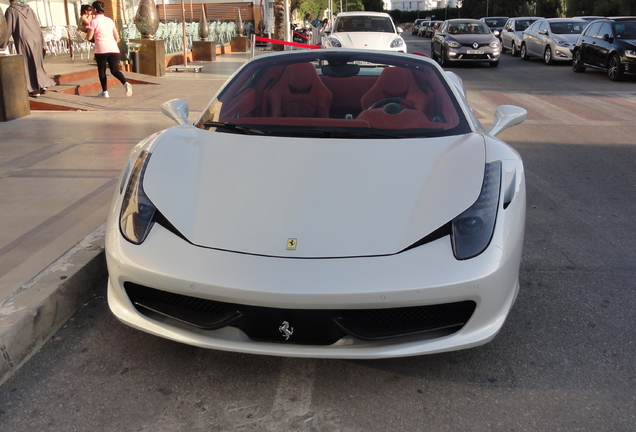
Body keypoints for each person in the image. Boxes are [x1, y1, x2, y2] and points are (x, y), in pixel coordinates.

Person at [1, 0, 55, 98]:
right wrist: (42, 41)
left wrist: (3, 45)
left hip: (24, 39)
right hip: (37, 38)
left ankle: (34, 90)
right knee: (37, 63)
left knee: (28, 64)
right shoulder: (29, 9)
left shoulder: (11, 10)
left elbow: (8, 28)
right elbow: (37, 25)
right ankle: (43, 85)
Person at [86, 1, 132, 98]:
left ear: (95, 9)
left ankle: (105, 91)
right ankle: (125, 83)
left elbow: (89, 37)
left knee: (102, 71)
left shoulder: (94, 22)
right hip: (113, 48)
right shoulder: (109, 20)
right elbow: (117, 36)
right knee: (114, 70)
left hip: (101, 49)